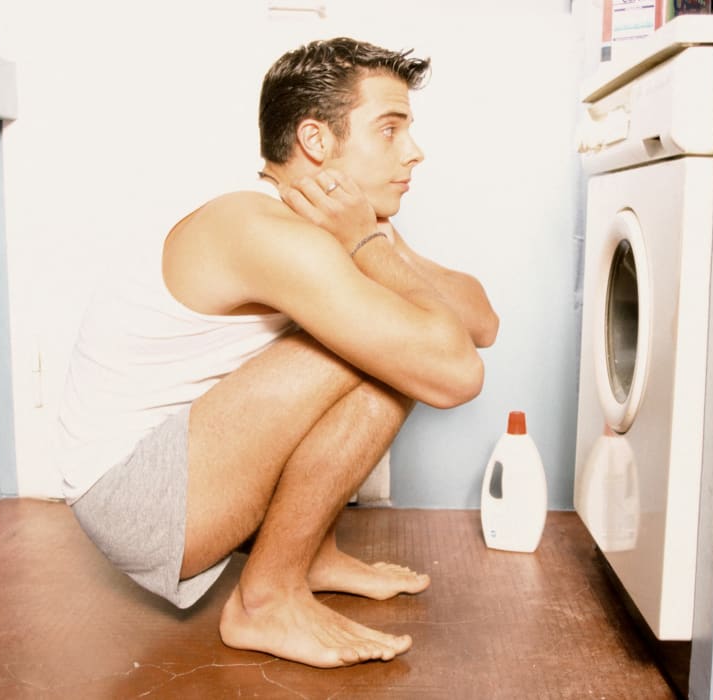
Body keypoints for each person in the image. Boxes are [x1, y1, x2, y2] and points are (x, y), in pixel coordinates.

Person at [57, 36, 499, 668]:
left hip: (197, 466)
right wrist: (367, 247)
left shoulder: (343, 223)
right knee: (389, 352)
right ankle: (265, 598)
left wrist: (373, 241)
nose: (414, 151)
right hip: (136, 499)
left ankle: (308, 553)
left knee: (395, 340)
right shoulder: (262, 229)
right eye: (390, 130)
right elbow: (455, 372)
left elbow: (481, 320)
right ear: (316, 142)